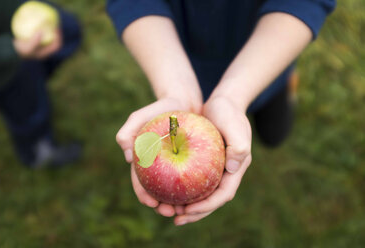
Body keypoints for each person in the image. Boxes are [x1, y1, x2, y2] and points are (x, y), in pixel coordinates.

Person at [106, 0, 336, 225]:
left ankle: (286, 85)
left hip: (267, 60)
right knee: (271, 133)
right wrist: (174, 88)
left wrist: (233, 97)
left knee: (275, 131)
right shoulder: (172, 121)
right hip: (176, 54)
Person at [0, 0, 82, 168]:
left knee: (69, 32)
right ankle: (38, 153)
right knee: (27, 108)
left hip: (17, 12)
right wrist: (9, 50)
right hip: (1, 67)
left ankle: (36, 81)